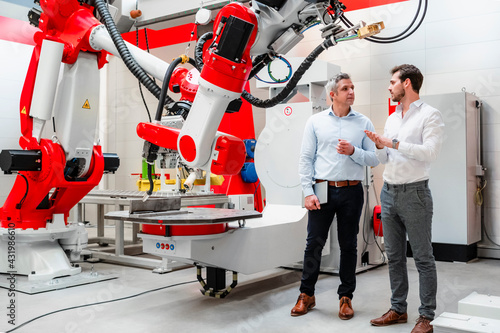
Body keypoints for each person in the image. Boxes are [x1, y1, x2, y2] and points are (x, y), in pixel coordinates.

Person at [291, 73, 379, 320]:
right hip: (322, 190)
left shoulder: (364, 122)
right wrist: (307, 192)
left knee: (349, 245)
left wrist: (354, 151)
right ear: (333, 94)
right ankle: (306, 294)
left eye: (352, 87)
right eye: (345, 88)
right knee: (314, 245)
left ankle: (346, 297)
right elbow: (306, 159)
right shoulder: (315, 122)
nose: (351, 91)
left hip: (352, 190)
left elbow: (374, 158)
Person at [365, 64, 444, 333]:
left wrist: (393, 143)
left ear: (407, 83)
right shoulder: (393, 117)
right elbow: (387, 157)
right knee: (395, 257)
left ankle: (426, 316)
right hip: (389, 192)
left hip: (415, 193)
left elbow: (430, 153)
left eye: (392, 82)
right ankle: (398, 309)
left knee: (423, 257)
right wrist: (379, 146)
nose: (389, 87)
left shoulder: (430, 115)